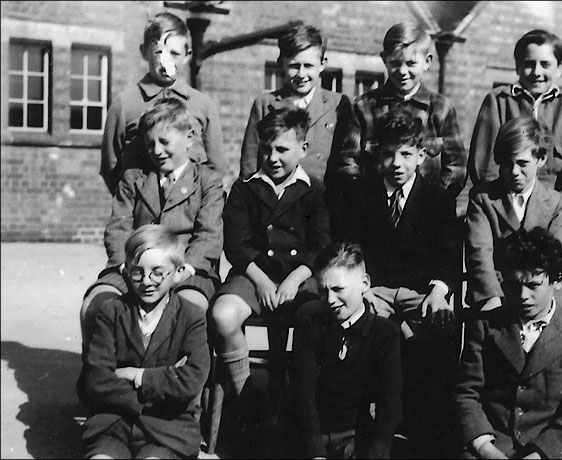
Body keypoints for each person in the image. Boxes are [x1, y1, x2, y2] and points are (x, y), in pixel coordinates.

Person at [337, 106, 460, 455]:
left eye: (406, 154)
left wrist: (437, 291)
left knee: (441, 330)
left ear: (420, 155)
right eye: (389, 153)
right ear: (377, 153)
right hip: (374, 290)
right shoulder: (362, 194)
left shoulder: (437, 198)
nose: (397, 163)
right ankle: (360, 428)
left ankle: (425, 428)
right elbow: (350, 248)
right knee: (364, 328)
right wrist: (364, 292)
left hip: (418, 294)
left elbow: (448, 253)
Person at [209, 107, 331, 421]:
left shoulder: (314, 190)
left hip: (301, 276)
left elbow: (320, 244)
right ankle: (245, 396)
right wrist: (261, 280)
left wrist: (294, 280)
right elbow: (236, 244)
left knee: (319, 318)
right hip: (253, 274)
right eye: (266, 148)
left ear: (303, 150)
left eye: (282, 149)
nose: (272, 157)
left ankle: (303, 403)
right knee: (223, 316)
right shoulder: (245, 188)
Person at [81, 98, 224, 355]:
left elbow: (209, 234)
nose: (156, 150)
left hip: (187, 271)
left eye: (165, 142)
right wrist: (127, 265)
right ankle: (100, 382)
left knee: (188, 309)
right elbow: (118, 228)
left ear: (189, 137)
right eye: (150, 143)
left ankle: (181, 385)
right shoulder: (134, 178)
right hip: (134, 268)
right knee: (95, 306)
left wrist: (185, 268)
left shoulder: (207, 181)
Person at [453, 227, 562, 459]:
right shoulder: (486, 326)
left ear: (556, 281)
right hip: (491, 442)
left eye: (533, 285)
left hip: (547, 448)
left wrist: (540, 454)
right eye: (513, 284)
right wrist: (484, 447)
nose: (522, 296)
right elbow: (466, 393)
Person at [77, 224, 211, 459]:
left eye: (158, 273)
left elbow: (190, 381)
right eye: (137, 272)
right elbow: (96, 380)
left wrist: (135, 375)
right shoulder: (112, 311)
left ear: (178, 272)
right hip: (113, 425)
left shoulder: (190, 316)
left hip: (168, 430)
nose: (147, 281)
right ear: (125, 271)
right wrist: (164, 379)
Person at [290, 241, 402, 459]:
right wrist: (316, 453)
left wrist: (377, 453)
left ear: (365, 283)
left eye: (338, 289)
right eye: (323, 291)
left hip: (357, 438)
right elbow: (304, 394)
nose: (330, 300)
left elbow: (390, 405)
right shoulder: (310, 323)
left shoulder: (384, 333)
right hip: (313, 436)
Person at [468, 29, 562, 213]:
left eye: (545, 64)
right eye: (529, 64)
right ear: (517, 67)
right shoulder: (499, 100)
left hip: (554, 202)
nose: (537, 72)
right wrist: (497, 204)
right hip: (505, 200)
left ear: (558, 68)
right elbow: (485, 162)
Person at [100, 11, 226, 195]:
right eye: (158, 52)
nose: (165, 61)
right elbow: (110, 166)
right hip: (142, 212)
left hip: (190, 212)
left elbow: (216, 167)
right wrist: (132, 204)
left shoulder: (203, 105)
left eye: (174, 53)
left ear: (187, 55)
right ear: (144, 52)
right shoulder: (125, 104)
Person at [239, 24, 360, 201]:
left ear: (322, 64)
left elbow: (347, 162)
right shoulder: (265, 104)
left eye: (308, 65)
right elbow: (249, 164)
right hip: (275, 202)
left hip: (323, 203)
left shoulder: (339, 104)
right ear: (282, 63)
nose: (301, 74)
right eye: (294, 66)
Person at [465, 116, 562, 312]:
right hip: (496, 297)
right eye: (507, 163)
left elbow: (561, 262)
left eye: (522, 163)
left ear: (541, 160)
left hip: (538, 300)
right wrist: (493, 297)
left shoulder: (556, 204)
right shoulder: (483, 199)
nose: (514, 171)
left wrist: (549, 309)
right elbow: (479, 254)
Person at [354, 22, 467, 200]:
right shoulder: (364, 107)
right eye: (395, 63)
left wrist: (430, 202)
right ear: (384, 59)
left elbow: (456, 168)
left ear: (427, 62)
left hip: (426, 214)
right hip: (375, 211)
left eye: (411, 63)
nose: (402, 71)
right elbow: (348, 164)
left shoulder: (441, 108)